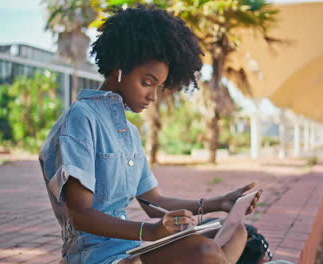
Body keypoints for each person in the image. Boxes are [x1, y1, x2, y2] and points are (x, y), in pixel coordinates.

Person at [39, 5, 261, 264]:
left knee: (234, 231)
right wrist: (151, 232)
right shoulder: (82, 118)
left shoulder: (129, 133)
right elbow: (80, 214)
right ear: (119, 68)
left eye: (159, 86)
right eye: (146, 82)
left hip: (132, 253)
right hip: (96, 258)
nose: (153, 96)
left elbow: (154, 201)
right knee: (203, 252)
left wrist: (221, 202)